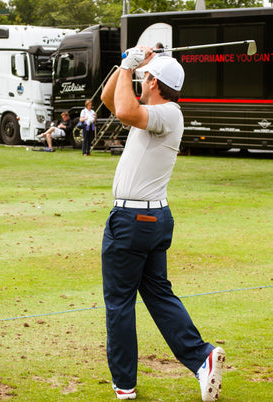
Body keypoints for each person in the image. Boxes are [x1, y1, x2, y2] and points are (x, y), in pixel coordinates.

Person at [100, 46, 225, 401]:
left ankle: (124, 384)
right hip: (151, 219)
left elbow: (123, 107)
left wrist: (130, 65)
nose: (140, 80)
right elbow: (112, 101)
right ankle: (202, 358)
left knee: (120, 302)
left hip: (132, 219)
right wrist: (126, 65)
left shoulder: (167, 113)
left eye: (144, 77)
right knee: (157, 293)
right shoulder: (154, 110)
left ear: (154, 83)